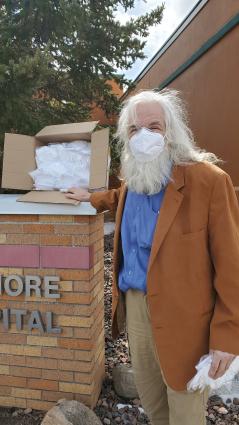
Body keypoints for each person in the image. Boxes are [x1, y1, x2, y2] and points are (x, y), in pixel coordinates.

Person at [65, 89, 239, 425]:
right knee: (153, 400)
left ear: (171, 131)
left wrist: (227, 337)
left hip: (187, 316)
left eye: (154, 127)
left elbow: (232, 267)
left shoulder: (209, 182)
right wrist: (92, 197)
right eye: (134, 130)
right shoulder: (137, 179)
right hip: (137, 307)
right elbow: (123, 199)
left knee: (185, 409)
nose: (143, 136)